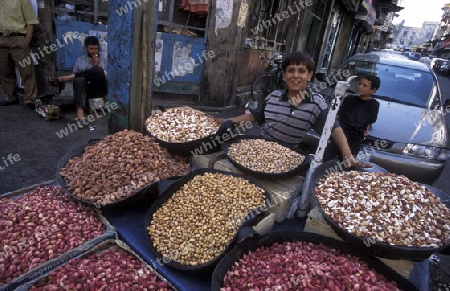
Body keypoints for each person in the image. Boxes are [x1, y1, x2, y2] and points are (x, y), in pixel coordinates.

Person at [215, 51, 370, 169]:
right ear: (283, 75)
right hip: (258, 150)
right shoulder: (273, 97)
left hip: (286, 159)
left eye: (301, 71)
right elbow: (253, 117)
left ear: (309, 75)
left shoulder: (316, 103)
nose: (296, 76)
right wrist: (227, 120)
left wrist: (348, 155)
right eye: (291, 70)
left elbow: (334, 128)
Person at [48, 36, 107, 129]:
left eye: (96, 48)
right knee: (79, 79)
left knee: (99, 70)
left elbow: (107, 78)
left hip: (99, 90)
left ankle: (65, 78)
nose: (94, 51)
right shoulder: (80, 60)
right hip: (84, 91)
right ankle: (80, 115)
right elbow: (76, 81)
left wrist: (96, 65)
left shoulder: (104, 59)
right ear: (86, 48)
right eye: (91, 49)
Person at [323, 74, 380, 162]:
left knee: (346, 166)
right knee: (325, 159)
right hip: (340, 136)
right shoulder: (349, 99)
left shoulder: (374, 105)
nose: (360, 87)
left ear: (372, 90)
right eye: (360, 84)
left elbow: (370, 121)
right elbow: (339, 115)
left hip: (355, 141)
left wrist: (366, 129)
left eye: (364, 85)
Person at [0, 0, 39, 110]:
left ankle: (31, 99)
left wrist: (26, 42)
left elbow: (30, 22)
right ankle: (10, 97)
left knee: (26, 70)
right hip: (1, 38)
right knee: (4, 70)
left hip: (18, 37)